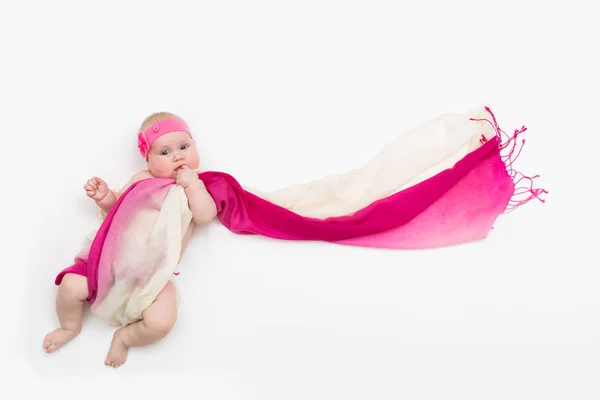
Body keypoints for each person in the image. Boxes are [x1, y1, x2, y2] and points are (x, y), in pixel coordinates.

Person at [42, 112, 217, 367]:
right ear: (147, 159)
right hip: (108, 262)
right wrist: (104, 197)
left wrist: (193, 185)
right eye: (165, 152)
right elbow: (117, 207)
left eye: (184, 147)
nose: (178, 155)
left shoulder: (196, 185)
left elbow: (205, 215)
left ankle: (124, 338)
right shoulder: (143, 180)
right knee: (70, 286)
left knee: (161, 321)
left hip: (152, 275)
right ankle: (69, 326)